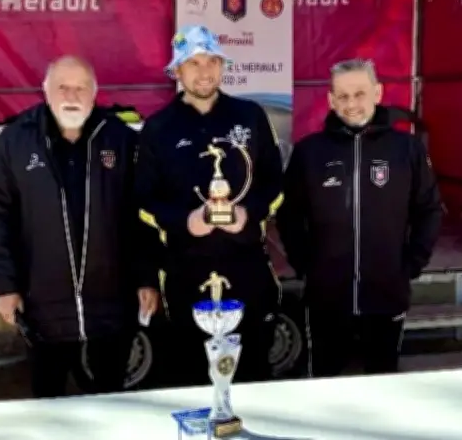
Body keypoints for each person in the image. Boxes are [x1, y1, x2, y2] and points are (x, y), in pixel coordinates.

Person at [0, 55, 151, 397]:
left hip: (111, 301)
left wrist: (146, 277)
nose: (71, 96)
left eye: (80, 88)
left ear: (94, 93)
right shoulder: (17, 139)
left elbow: (142, 215)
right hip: (43, 302)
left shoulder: (118, 138)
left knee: (113, 400)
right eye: (62, 87)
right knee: (49, 401)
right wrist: (4, 285)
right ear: (45, 91)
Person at [134, 25, 284, 386]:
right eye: (194, 63)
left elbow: (277, 185)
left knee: (254, 374)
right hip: (185, 272)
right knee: (189, 375)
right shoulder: (157, 128)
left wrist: (250, 214)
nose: (204, 71)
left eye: (212, 61)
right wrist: (186, 222)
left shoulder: (251, 116)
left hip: (248, 267)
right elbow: (142, 205)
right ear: (177, 72)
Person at [276, 58, 442, 377]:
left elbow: (429, 209)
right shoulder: (310, 151)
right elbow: (290, 214)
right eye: (343, 96)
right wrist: (304, 263)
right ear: (330, 100)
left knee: (381, 379)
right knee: (326, 376)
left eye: (360, 93)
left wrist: (411, 263)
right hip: (327, 293)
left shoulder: (406, 149)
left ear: (378, 93)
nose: (352, 104)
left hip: (386, 290)